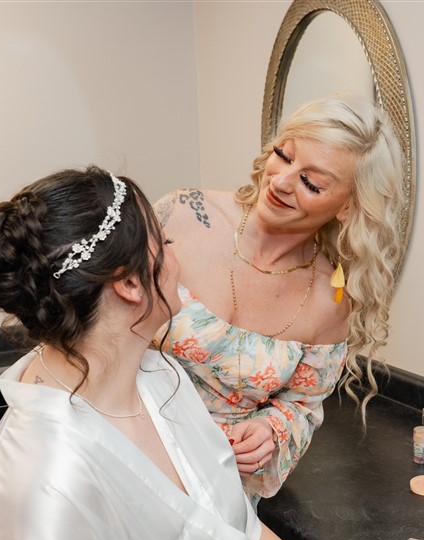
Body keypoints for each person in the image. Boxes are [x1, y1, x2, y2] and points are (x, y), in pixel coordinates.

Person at [0, 166, 395, 540]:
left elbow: (227, 523)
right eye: (163, 243)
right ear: (128, 284)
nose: (178, 254)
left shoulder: (158, 377)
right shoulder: (42, 490)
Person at [154, 95, 404, 502]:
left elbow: (302, 405)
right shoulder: (183, 215)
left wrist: (269, 430)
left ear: (347, 207)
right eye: (284, 156)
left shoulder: (330, 299)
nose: (282, 181)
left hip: (213, 492)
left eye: (312, 183)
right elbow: (96, 322)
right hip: (122, 457)